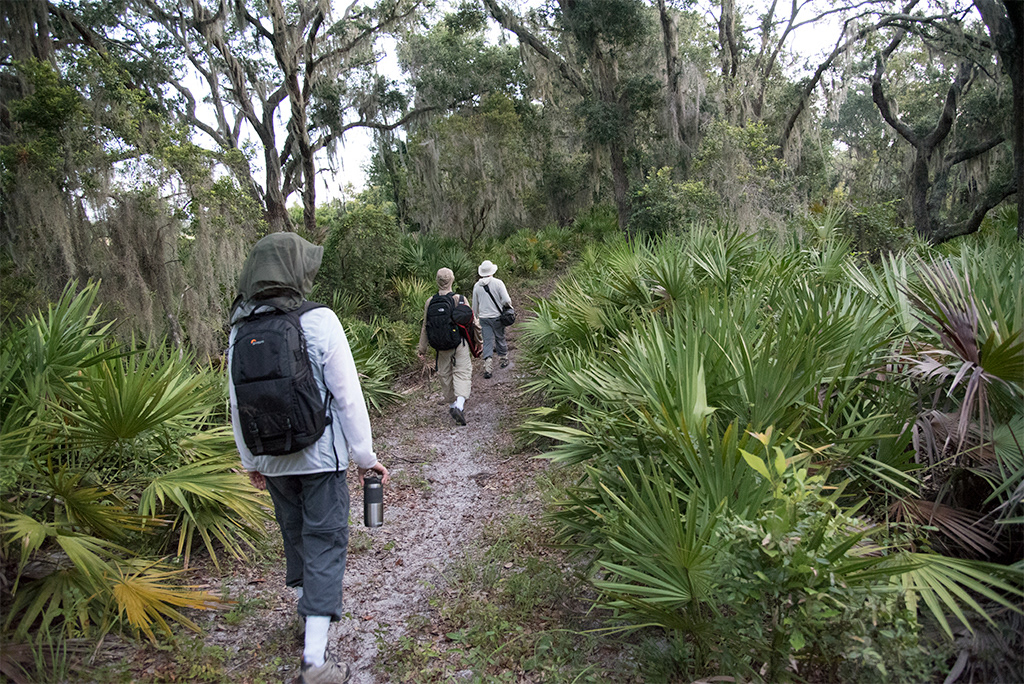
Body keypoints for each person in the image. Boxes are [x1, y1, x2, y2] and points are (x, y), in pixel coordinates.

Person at [227, 232, 389, 684]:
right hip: (320, 457)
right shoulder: (319, 320)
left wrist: (251, 461)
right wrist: (365, 456)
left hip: (271, 457)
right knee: (325, 541)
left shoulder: (239, 328)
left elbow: (236, 403)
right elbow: (348, 396)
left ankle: (307, 615)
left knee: (296, 535)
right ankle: (315, 660)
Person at [418, 267, 476, 426]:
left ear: (437, 281)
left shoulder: (430, 302)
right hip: (460, 343)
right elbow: (472, 322)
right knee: (462, 372)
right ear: (452, 280)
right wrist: (478, 343)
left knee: (444, 374)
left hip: (441, 346)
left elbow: (425, 326)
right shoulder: (460, 299)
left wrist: (422, 348)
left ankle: (451, 404)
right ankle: (459, 405)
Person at [471, 259, 512, 379]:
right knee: (500, 337)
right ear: (492, 271)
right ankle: (503, 359)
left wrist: (476, 317)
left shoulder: (477, 286)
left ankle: (488, 367)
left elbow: (474, 305)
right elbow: (506, 300)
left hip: (484, 318)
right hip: (497, 317)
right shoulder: (498, 283)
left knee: (487, 341)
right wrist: (506, 307)